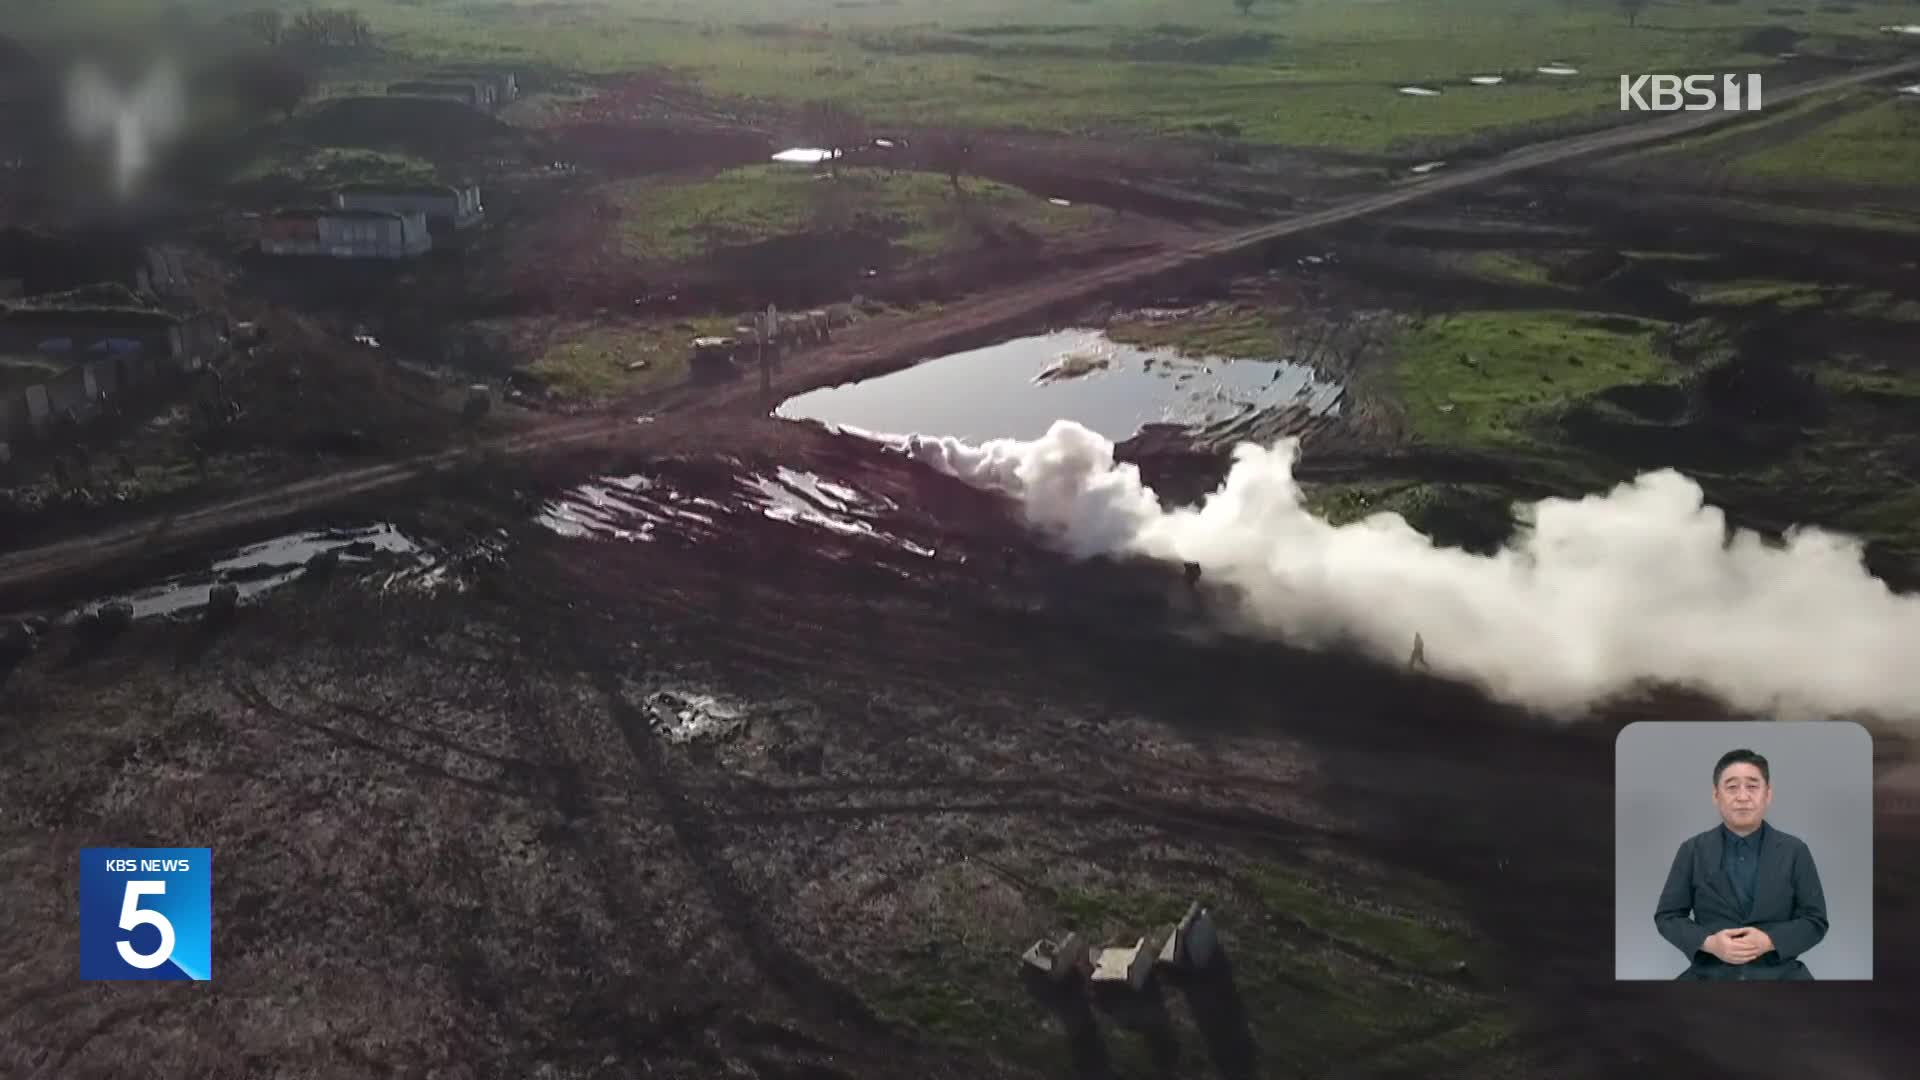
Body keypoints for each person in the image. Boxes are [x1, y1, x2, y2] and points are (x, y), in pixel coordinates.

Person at [1653, 748, 1828, 980]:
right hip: (1709, 973)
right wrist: (1709, 943)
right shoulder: (1692, 850)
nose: (1742, 796)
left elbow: (1815, 920)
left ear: (1768, 794)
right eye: (1732, 787)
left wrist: (1769, 941)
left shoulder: (1795, 850)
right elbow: (1668, 917)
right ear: (1716, 796)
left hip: (1780, 973)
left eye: (1753, 786)